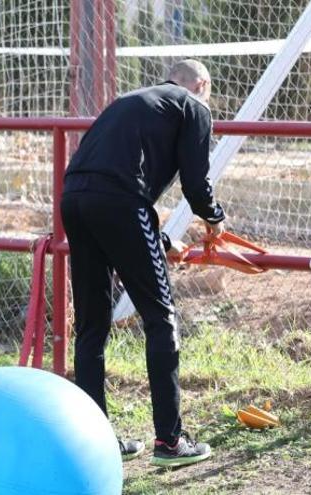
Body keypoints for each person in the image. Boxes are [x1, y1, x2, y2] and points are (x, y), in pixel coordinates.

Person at [61, 59, 225, 468]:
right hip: (119, 205)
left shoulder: (131, 102)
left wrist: (162, 239)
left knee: (92, 327)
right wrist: (215, 218)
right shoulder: (194, 107)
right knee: (161, 319)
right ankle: (170, 442)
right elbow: (195, 182)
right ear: (200, 84)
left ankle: (95, 441)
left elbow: (112, 180)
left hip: (75, 199)